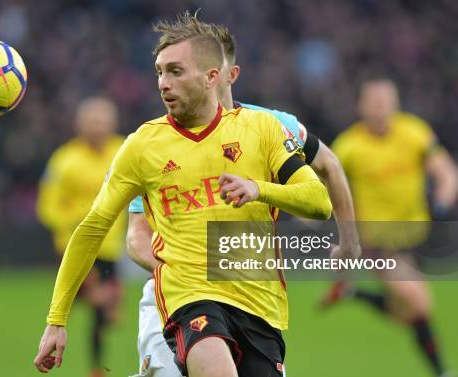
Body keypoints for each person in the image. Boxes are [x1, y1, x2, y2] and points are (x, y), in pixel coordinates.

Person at [34, 11, 333, 377]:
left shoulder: (261, 129)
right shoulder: (142, 145)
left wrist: (259, 189)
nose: (163, 83)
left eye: (175, 71)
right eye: (159, 71)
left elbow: (319, 201)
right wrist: (57, 320)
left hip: (260, 304)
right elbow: (93, 227)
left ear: (211, 78)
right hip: (189, 298)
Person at [126, 15, 360, 377]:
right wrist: (183, 271)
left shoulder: (272, 125)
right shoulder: (158, 144)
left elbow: (329, 167)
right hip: (177, 299)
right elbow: (137, 234)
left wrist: (349, 242)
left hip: (250, 298)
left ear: (226, 75)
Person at [321, 78, 458, 377]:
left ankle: (351, 294)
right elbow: (323, 185)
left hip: (419, 239)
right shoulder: (349, 146)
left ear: (396, 104)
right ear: (361, 106)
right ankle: (442, 371)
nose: (380, 108)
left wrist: (442, 201)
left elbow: (447, 172)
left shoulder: (414, 132)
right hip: (378, 244)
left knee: (404, 313)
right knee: (419, 305)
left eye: (385, 101)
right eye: (373, 102)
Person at [36, 96, 127, 377]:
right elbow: (46, 206)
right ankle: (65, 352)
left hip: (110, 247)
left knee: (103, 316)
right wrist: (74, 222)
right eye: (92, 121)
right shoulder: (64, 160)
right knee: (92, 305)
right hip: (73, 247)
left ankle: (94, 366)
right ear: (79, 124)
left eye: (102, 121)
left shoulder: (124, 150)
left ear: (113, 123)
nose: (97, 127)